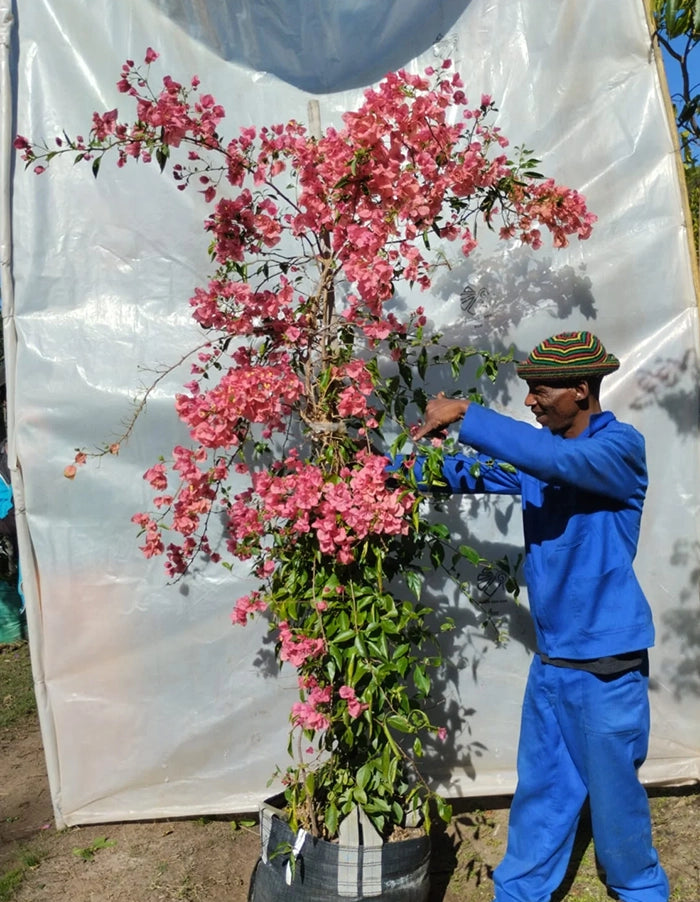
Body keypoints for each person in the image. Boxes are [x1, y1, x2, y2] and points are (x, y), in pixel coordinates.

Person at [411, 331, 669, 902]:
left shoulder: (618, 451)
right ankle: (521, 892)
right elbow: (476, 474)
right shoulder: (543, 457)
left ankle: (640, 890)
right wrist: (385, 470)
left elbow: (559, 462)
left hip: (606, 667)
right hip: (553, 661)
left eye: (540, 390)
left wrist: (467, 413)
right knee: (544, 791)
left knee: (616, 802)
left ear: (580, 390)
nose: (529, 401)